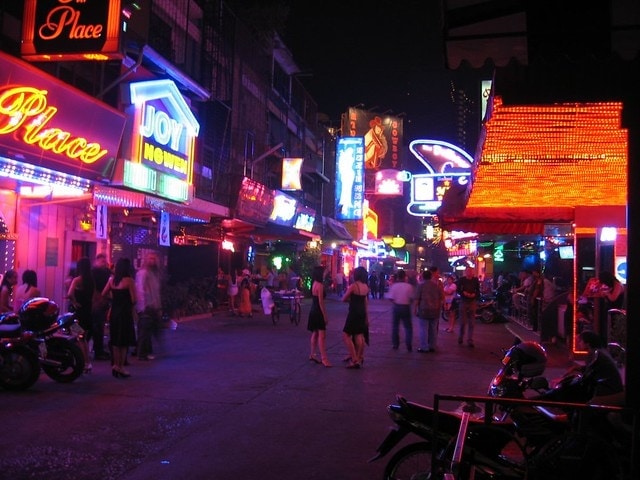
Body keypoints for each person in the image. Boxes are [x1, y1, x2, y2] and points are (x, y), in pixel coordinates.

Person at [102, 258, 137, 378]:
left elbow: (103, 293)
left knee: (115, 340)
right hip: (125, 313)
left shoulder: (111, 280)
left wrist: (113, 297)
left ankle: (115, 365)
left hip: (114, 312)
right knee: (124, 341)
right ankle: (121, 367)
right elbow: (134, 299)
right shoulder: (129, 281)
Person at [67, 257, 95, 372]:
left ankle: (85, 362)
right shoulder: (91, 280)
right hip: (87, 312)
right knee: (84, 338)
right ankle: (86, 362)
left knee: (79, 338)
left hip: (78, 313)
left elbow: (69, 293)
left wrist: (74, 302)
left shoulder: (77, 280)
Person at [135, 252, 163, 361]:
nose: (153, 261)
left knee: (150, 330)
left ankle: (146, 351)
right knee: (145, 331)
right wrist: (143, 306)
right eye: (150, 259)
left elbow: (157, 292)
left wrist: (158, 306)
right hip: (146, 307)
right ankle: (142, 353)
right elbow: (140, 290)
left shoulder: (155, 274)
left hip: (153, 306)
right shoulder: (143, 273)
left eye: (154, 259)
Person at [342, 266, 370, 368]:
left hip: (354, 312)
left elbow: (344, 299)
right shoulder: (366, 287)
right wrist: (367, 317)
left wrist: (352, 300)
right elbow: (366, 303)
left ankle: (354, 358)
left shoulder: (354, 286)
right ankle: (359, 357)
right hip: (362, 312)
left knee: (346, 335)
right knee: (359, 335)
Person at [415, 269, 444, 353]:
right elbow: (442, 297)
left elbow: (417, 299)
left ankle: (424, 347)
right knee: (433, 329)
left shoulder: (421, 285)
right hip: (435, 310)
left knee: (423, 329)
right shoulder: (436, 286)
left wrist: (415, 309)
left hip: (424, 309)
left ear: (423, 277)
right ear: (431, 277)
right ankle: (432, 346)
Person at [307, 265, 330, 367]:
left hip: (313, 310)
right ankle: (324, 358)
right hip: (318, 311)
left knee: (315, 333)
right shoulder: (320, 285)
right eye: (324, 272)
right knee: (322, 335)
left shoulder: (314, 284)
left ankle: (312, 354)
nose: (325, 274)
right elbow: (321, 302)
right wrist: (325, 315)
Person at [387, 269, 415, 352]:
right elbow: (412, 298)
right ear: (405, 277)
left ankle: (395, 344)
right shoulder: (409, 286)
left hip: (396, 306)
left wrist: (396, 302)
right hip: (406, 307)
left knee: (395, 326)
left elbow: (390, 298)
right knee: (408, 327)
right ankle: (408, 344)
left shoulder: (394, 286)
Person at [91, 253, 112, 361]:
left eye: (105, 261)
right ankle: (98, 350)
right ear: (97, 261)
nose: (104, 263)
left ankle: (98, 348)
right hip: (98, 301)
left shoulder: (106, 272)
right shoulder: (94, 273)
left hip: (103, 301)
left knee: (100, 326)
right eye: (102, 261)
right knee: (98, 326)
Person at [457, 266, 480, 347]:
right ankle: (461, 336)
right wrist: (463, 293)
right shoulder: (462, 280)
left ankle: (470, 340)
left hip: (472, 301)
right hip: (463, 301)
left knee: (472, 322)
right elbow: (458, 290)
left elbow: (478, 291)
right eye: (467, 271)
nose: (469, 272)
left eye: (470, 271)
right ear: (465, 272)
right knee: (463, 321)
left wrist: (474, 294)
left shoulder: (475, 280)